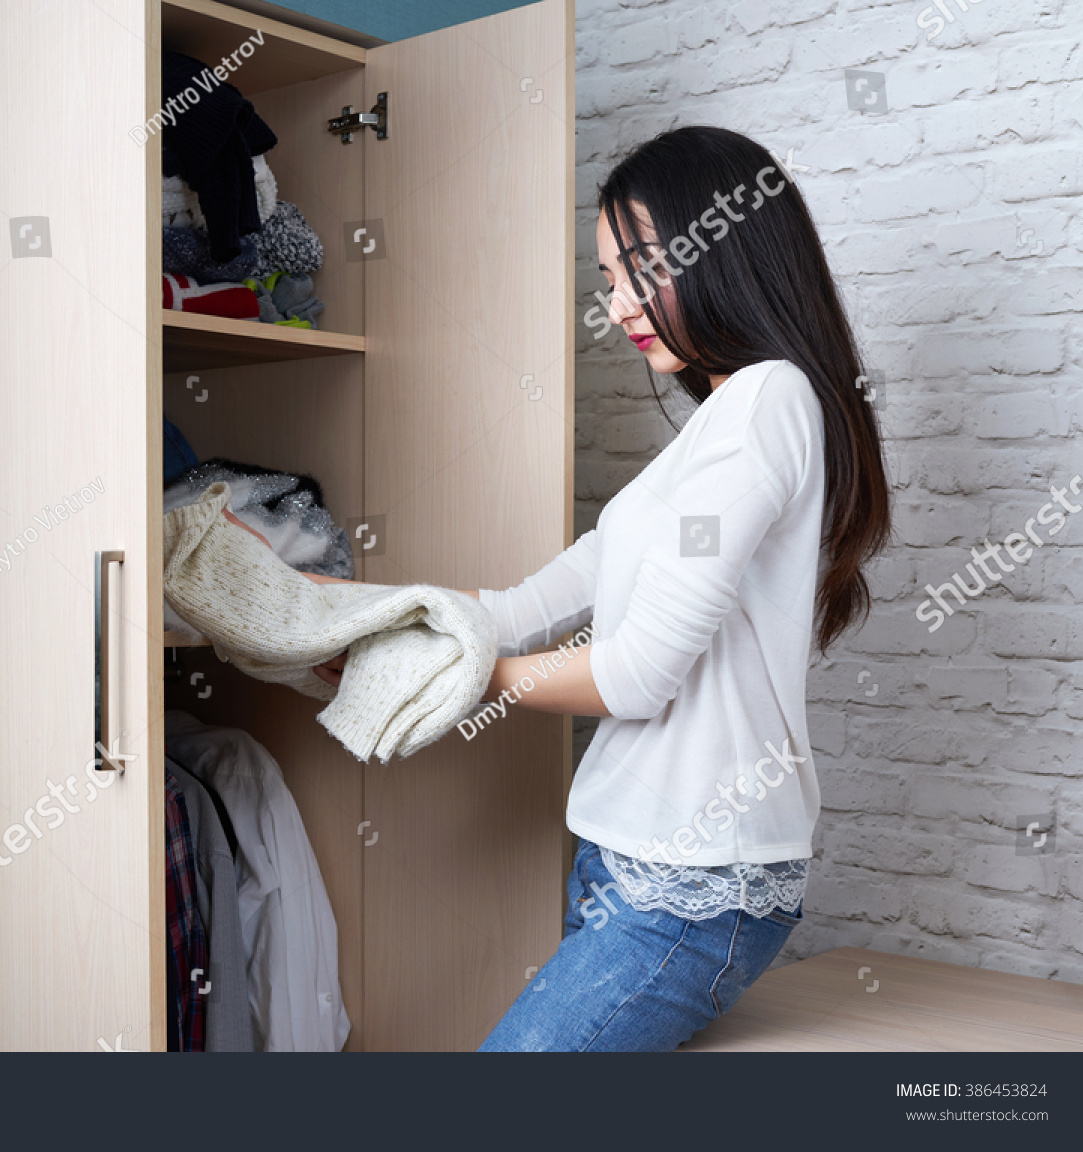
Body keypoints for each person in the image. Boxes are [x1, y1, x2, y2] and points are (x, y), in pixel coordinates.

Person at [292, 125, 892, 1051]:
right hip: (625, 861)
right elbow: (542, 594)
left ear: (726, 245)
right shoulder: (712, 429)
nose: (617, 305)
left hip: (694, 889)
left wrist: (456, 676)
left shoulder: (769, 402)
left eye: (641, 268)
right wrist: (373, 625)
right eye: (609, 279)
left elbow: (637, 674)